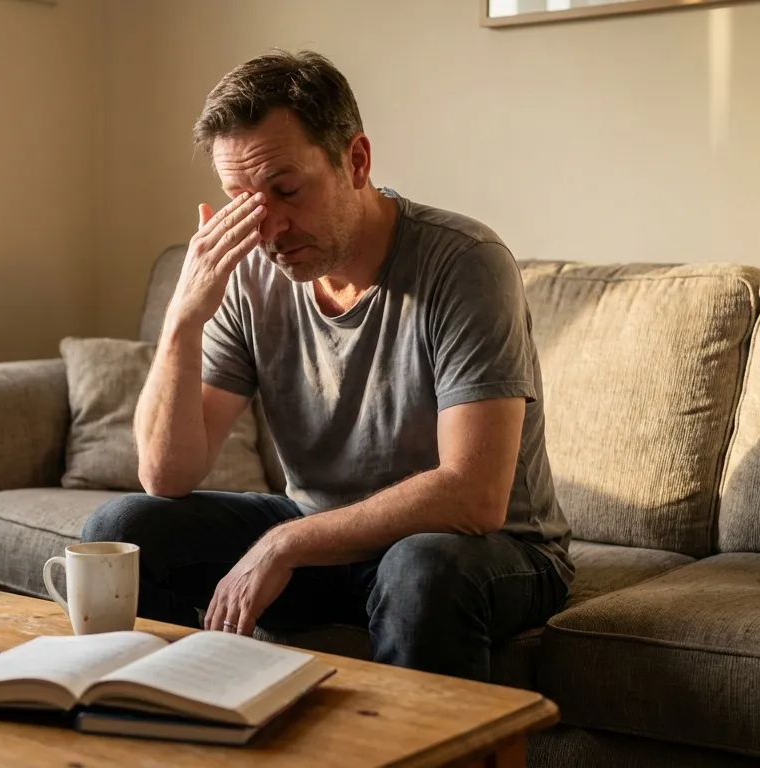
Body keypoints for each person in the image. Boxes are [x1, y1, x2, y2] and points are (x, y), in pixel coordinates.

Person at [81, 50, 572, 682]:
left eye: (286, 190)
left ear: (356, 161)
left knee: (421, 570)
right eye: (242, 201)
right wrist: (182, 319)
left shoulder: (464, 262)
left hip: (485, 550)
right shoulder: (250, 275)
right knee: (125, 527)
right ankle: (177, 719)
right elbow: (166, 474)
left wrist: (285, 543)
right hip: (325, 541)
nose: (269, 228)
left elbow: (474, 496)